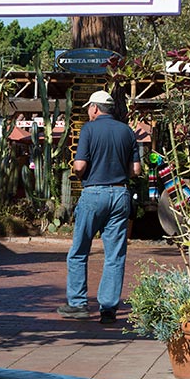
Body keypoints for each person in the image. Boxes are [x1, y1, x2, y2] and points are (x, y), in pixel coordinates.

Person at [56, 90, 140, 325]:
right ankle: (109, 309)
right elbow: (136, 170)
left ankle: (78, 304)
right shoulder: (127, 131)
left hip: (94, 193)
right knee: (114, 254)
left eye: (89, 109)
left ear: (94, 108)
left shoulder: (89, 130)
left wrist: (79, 173)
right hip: (120, 194)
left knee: (79, 251)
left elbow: (80, 166)